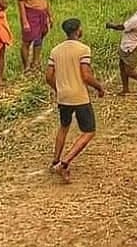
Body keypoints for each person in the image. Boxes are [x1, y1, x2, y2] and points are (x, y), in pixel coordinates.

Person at [45, 18, 105, 181]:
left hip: (63, 96)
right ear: (78, 30)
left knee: (64, 127)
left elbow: (48, 76)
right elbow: (86, 75)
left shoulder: (55, 50)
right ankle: (64, 163)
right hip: (79, 96)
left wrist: (58, 89)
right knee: (89, 131)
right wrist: (98, 87)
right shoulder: (83, 49)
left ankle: (55, 160)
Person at [17, 0, 53, 73]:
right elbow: (21, 5)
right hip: (30, 14)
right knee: (27, 41)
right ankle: (26, 67)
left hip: (42, 14)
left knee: (39, 38)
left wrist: (50, 16)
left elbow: (45, 0)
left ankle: (35, 63)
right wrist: (25, 22)